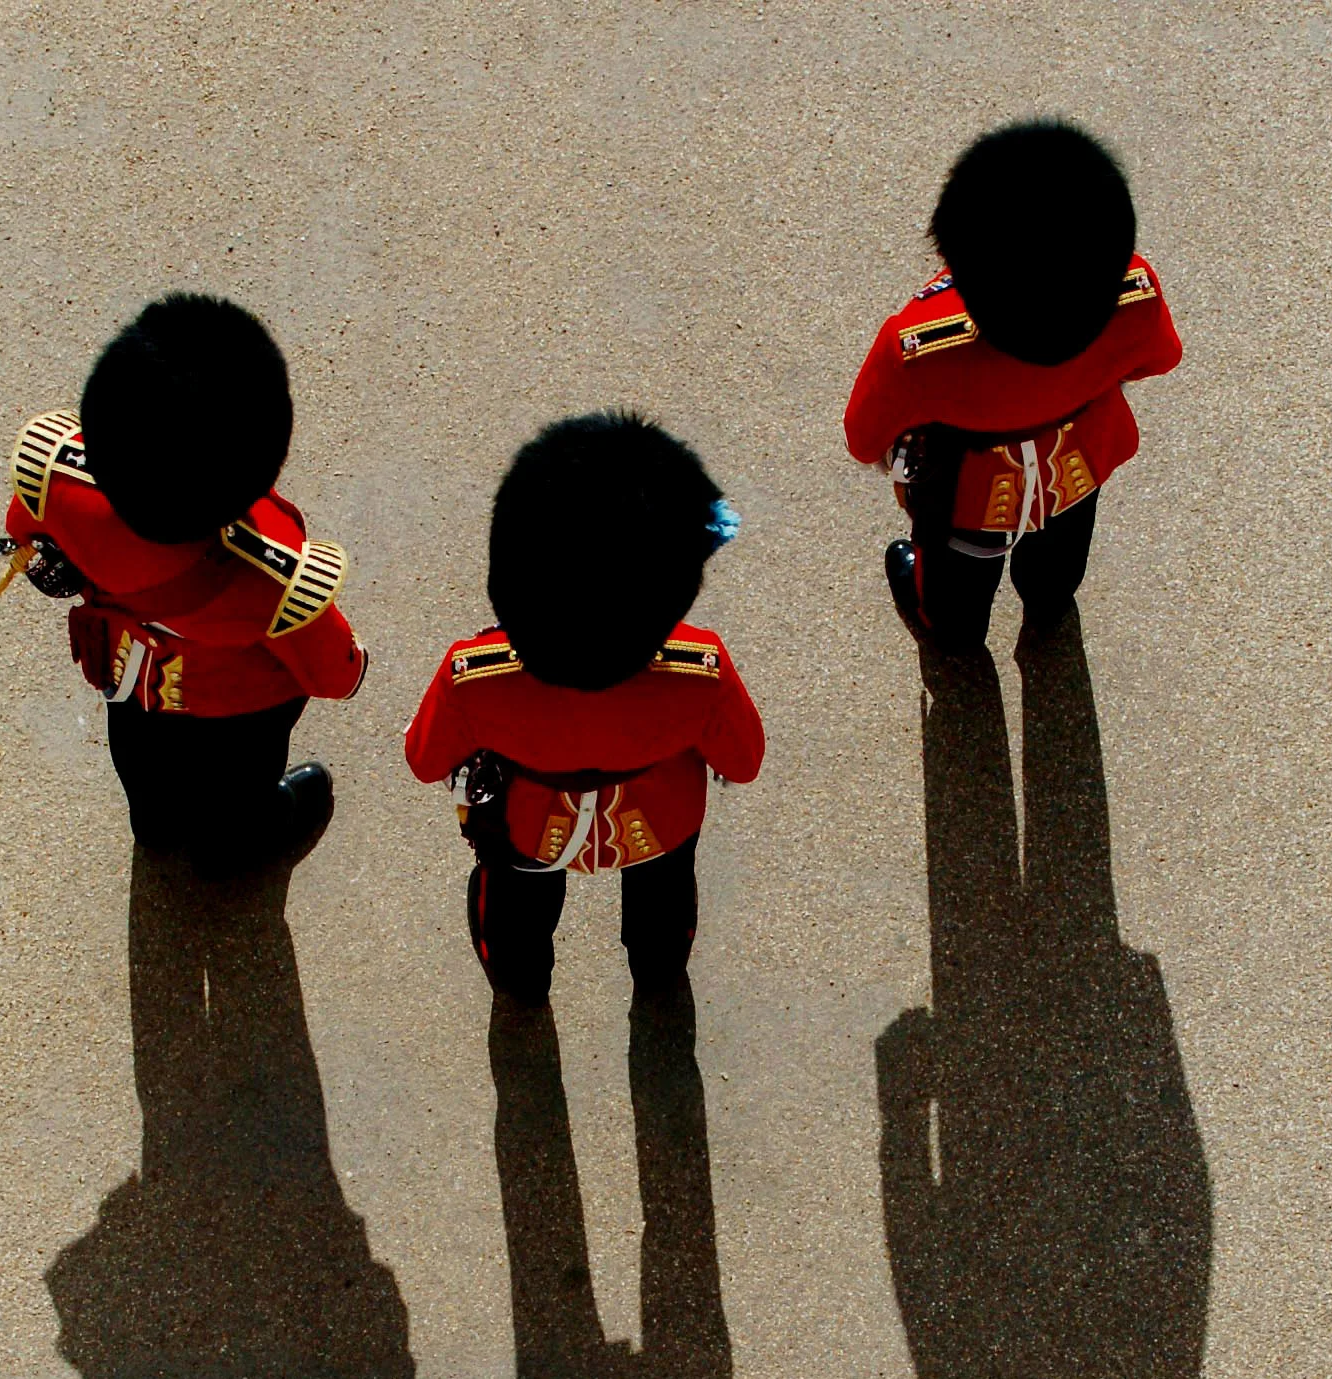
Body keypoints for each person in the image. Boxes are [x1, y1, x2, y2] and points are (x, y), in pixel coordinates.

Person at [403, 412, 764, 1005]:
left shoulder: (473, 676)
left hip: (525, 827)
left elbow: (424, 761)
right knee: (664, 903)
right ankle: (658, 971)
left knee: (515, 915)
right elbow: (743, 762)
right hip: (661, 822)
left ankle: (520, 982)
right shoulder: (701, 670)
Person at [0, 294, 367, 873]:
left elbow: (23, 529)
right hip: (239, 712)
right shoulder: (273, 570)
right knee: (240, 792)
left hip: (128, 676)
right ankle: (229, 853)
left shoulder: (61, 481)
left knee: (139, 761)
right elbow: (335, 673)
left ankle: (156, 827)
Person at [844, 120, 1182, 652]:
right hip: (1079, 462)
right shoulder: (1133, 293)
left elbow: (864, 438)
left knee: (955, 600)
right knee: (1059, 559)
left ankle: (954, 632)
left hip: (968, 493)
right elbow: (1160, 359)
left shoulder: (920, 347)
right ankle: (1047, 603)